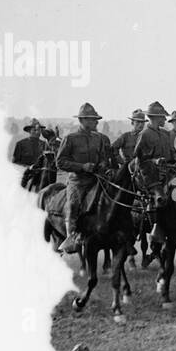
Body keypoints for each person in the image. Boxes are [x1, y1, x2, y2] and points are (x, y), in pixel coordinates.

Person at [56, 103, 113, 254]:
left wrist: (102, 164)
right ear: (83, 120)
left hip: (96, 179)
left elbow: (103, 158)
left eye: (96, 119)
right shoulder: (70, 138)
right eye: (93, 119)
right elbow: (60, 162)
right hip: (78, 182)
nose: (96, 122)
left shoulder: (98, 139)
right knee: (73, 204)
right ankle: (70, 238)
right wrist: (82, 167)